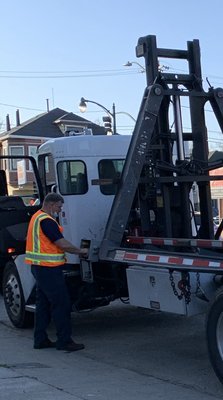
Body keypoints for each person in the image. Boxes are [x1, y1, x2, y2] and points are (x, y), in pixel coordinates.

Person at [25, 192, 88, 352]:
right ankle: (64, 341)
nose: (60, 210)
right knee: (61, 304)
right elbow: (61, 243)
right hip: (49, 269)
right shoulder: (47, 221)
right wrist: (80, 251)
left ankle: (40, 340)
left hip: (39, 267)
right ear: (51, 204)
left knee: (43, 305)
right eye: (59, 206)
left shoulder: (36, 217)